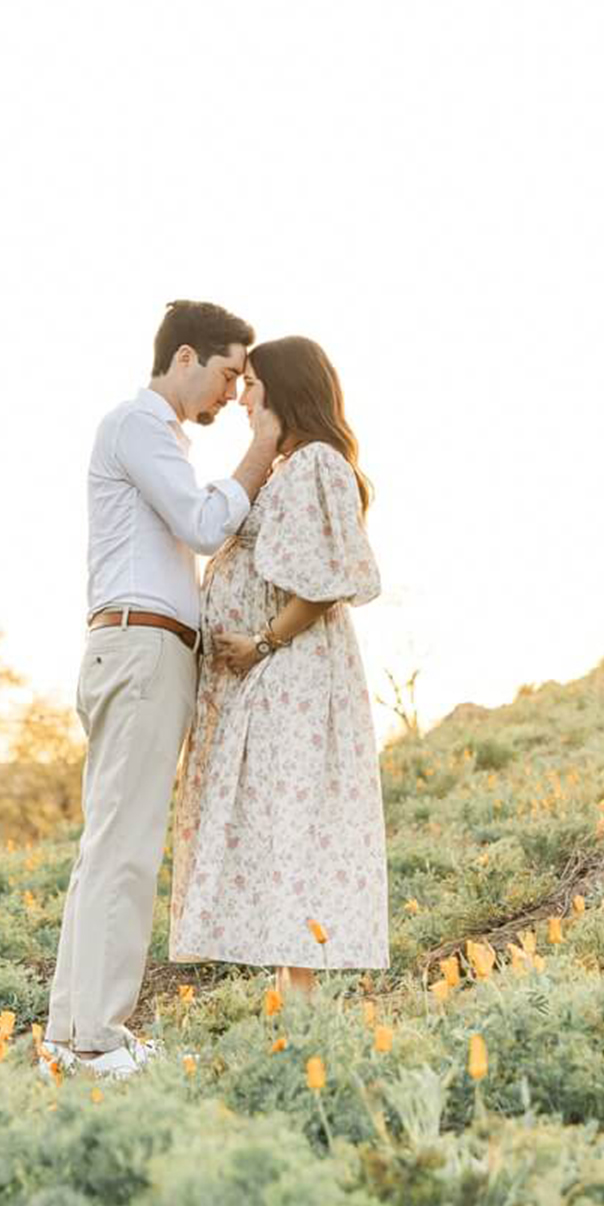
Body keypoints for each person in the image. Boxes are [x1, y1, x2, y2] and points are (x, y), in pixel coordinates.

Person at [41, 300, 281, 1079]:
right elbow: (205, 524)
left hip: (138, 649)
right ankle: (97, 1040)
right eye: (225, 374)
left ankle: (69, 1036)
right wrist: (265, 448)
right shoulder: (139, 425)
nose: (228, 394)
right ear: (185, 357)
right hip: (140, 648)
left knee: (109, 846)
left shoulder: (154, 436)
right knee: (127, 850)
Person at [169, 336, 390, 997]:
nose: (242, 399)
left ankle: (302, 1008)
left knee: (295, 833)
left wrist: (264, 642)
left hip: (291, 676)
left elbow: (327, 578)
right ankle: (291, 1006)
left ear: (285, 390)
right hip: (266, 681)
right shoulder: (285, 466)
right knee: (272, 835)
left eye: (253, 386)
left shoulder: (316, 462)